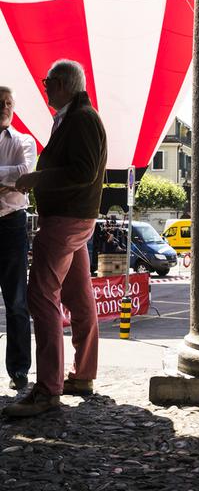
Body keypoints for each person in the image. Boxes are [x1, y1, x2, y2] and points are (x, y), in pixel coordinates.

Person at [3, 60, 107, 418]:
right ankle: (84, 375)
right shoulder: (77, 117)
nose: (45, 87)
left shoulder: (80, 119)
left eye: (48, 82)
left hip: (65, 219)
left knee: (40, 296)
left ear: (61, 83)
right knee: (79, 297)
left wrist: (37, 180)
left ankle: (48, 390)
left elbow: (84, 171)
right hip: (75, 218)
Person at [0, 86, 36, 391]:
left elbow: (26, 171)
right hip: (11, 217)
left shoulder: (24, 140)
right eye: (0, 103)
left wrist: (15, 179)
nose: (4, 107)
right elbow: (16, 177)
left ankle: (20, 370)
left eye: (9, 103)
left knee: (16, 301)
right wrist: (9, 180)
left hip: (12, 224)